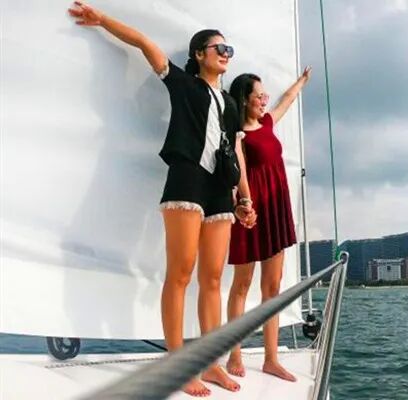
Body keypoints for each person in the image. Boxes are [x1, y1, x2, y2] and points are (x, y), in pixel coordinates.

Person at [68, 2, 256, 397]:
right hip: (187, 180)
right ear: (199, 54)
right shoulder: (183, 84)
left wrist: (245, 198)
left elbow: (236, 151)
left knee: (212, 280)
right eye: (219, 48)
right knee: (180, 273)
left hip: (220, 190)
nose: (226, 54)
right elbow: (142, 43)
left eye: (229, 49)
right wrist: (101, 20)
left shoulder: (231, 104)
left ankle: (212, 364)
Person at [226, 67, 311, 382]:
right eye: (259, 95)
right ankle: (234, 354)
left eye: (264, 95)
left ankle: (271, 359)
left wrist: (301, 81)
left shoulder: (267, 123)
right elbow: (236, 175)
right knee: (242, 285)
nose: (264, 99)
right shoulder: (237, 135)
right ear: (244, 99)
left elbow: (286, 100)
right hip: (251, 211)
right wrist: (242, 206)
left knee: (272, 288)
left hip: (276, 208)